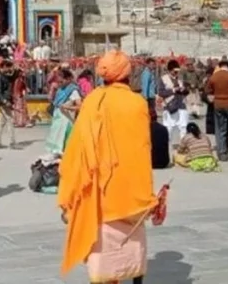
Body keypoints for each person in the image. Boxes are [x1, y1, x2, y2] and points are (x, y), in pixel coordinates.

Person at [58, 49, 157, 283]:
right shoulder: (138, 103)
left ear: (103, 75)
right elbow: (144, 149)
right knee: (133, 245)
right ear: (127, 75)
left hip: (101, 190)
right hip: (134, 190)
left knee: (104, 252)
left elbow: (78, 147)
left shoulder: (93, 101)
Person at [45, 69, 82, 155]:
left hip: (66, 121)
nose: (60, 83)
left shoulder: (73, 91)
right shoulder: (60, 89)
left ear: (68, 79)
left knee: (64, 144)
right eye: (59, 81)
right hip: (58, 119)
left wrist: (67, 107)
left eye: (62, 80)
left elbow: (80, 106)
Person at [160, 60, 189, 149]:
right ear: (170, 70)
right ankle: (167, 148)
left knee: (183, 127)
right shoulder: (163, 79)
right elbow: (161, 93)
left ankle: (183, 147)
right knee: (168, 128)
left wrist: (183, 89)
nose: (176, 72)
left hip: (181, 105)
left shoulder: (179, 79)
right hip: (169, 106)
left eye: (177, 71)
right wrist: (173, 90)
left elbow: (186, 92)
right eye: (175, 71)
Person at [0, 60, 17, 148]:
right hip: (4, 102)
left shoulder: (4, 76)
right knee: (10, 120)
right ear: (4, 66)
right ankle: (12, 142)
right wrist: (5, 101)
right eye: (8, 67)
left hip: (5, 101)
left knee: (1, 122)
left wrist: (14, 69)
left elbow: (14, 76)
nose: (9, 69)